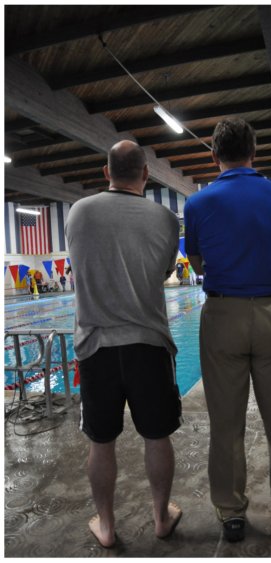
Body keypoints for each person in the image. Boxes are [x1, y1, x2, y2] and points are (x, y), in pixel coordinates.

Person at [184, 118, 271, 542]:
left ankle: (232, 512)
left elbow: (199, 265)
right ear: (254, 152)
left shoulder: (198, 204)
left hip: (223, 316)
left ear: (213, 154)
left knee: (226, 422)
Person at [65, 140, 182, 548]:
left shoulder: (78, 212)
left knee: (101, 442)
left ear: (105, 172)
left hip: (95, 346)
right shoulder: (166, 220)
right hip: (148, 345)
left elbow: (78, 267)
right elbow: (166, 270)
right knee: (157, 436)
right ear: (146, 174)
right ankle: (161, 518)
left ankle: (108, 526)